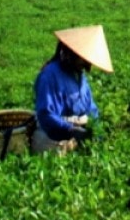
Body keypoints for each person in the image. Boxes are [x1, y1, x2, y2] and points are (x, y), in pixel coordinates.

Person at [31, 24, 113, 155]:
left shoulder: (78, 75)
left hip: (77, 137)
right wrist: (70, 129)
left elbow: (91, 108)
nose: (86, 64)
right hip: (53, 139)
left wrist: (97, 131)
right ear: (71, 53)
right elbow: (46, 115)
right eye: (83, 59)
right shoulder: (49, 75)